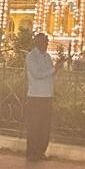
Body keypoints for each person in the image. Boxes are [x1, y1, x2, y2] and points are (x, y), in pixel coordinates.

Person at [24, 32, 59, 161]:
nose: (46, 44)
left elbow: (50, 73)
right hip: (36, 95)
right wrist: (53, 70)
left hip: (47, 95)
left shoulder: (47, 56)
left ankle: (40, 151)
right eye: (44, 42)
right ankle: (32, 152)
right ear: (37, 42)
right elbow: (37, 74)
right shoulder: (31, 57)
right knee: (34, 125)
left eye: (47, 42)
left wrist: (54, 70)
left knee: (45, 126)